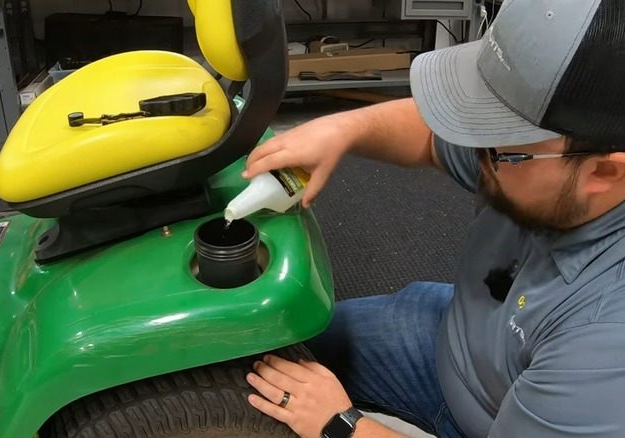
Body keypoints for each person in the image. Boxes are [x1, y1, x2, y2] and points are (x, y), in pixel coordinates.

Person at [241, 0, 625, 437]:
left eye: (497, 144)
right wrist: (344, 129)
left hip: (501, 415)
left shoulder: (608, 344)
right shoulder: (542, 158)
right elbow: (430, 136)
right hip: (453, 330)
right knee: (253, 354)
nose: (475, 151)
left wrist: (341, 425)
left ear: (605, 171)